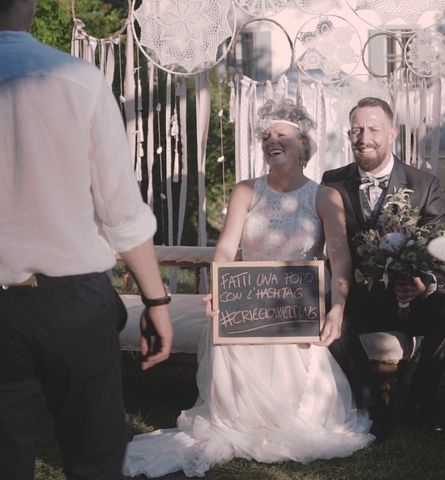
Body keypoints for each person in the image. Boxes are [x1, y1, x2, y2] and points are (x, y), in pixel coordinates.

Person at [123, 98, 374, 478]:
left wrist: (336, 308)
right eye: (267, 136)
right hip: (248, 306)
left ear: (304, 144)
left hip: (296, 313)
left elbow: (340, 260)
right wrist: (220, 286)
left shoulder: (323, 197)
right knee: (228, 340)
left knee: (307, 422)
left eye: (282, 135)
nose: (272, 140)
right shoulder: (246, 191)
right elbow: (226, 247)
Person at [0, 1, 174, 479]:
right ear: (30, 6)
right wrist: (155, 299)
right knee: (95, 456)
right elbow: (119, 209)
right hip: (72, 303)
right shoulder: (76, 79)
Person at [321, 97, 445, 434]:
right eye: (357, 129)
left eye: (373, 129)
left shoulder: (423, 184)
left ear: (392, 133)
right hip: (358, 297)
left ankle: (419, 402)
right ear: (348, 134)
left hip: (410, 299)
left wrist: (423, 283)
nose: (364, 137)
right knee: (329, 317)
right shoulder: (333, 181)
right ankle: (371, 408)